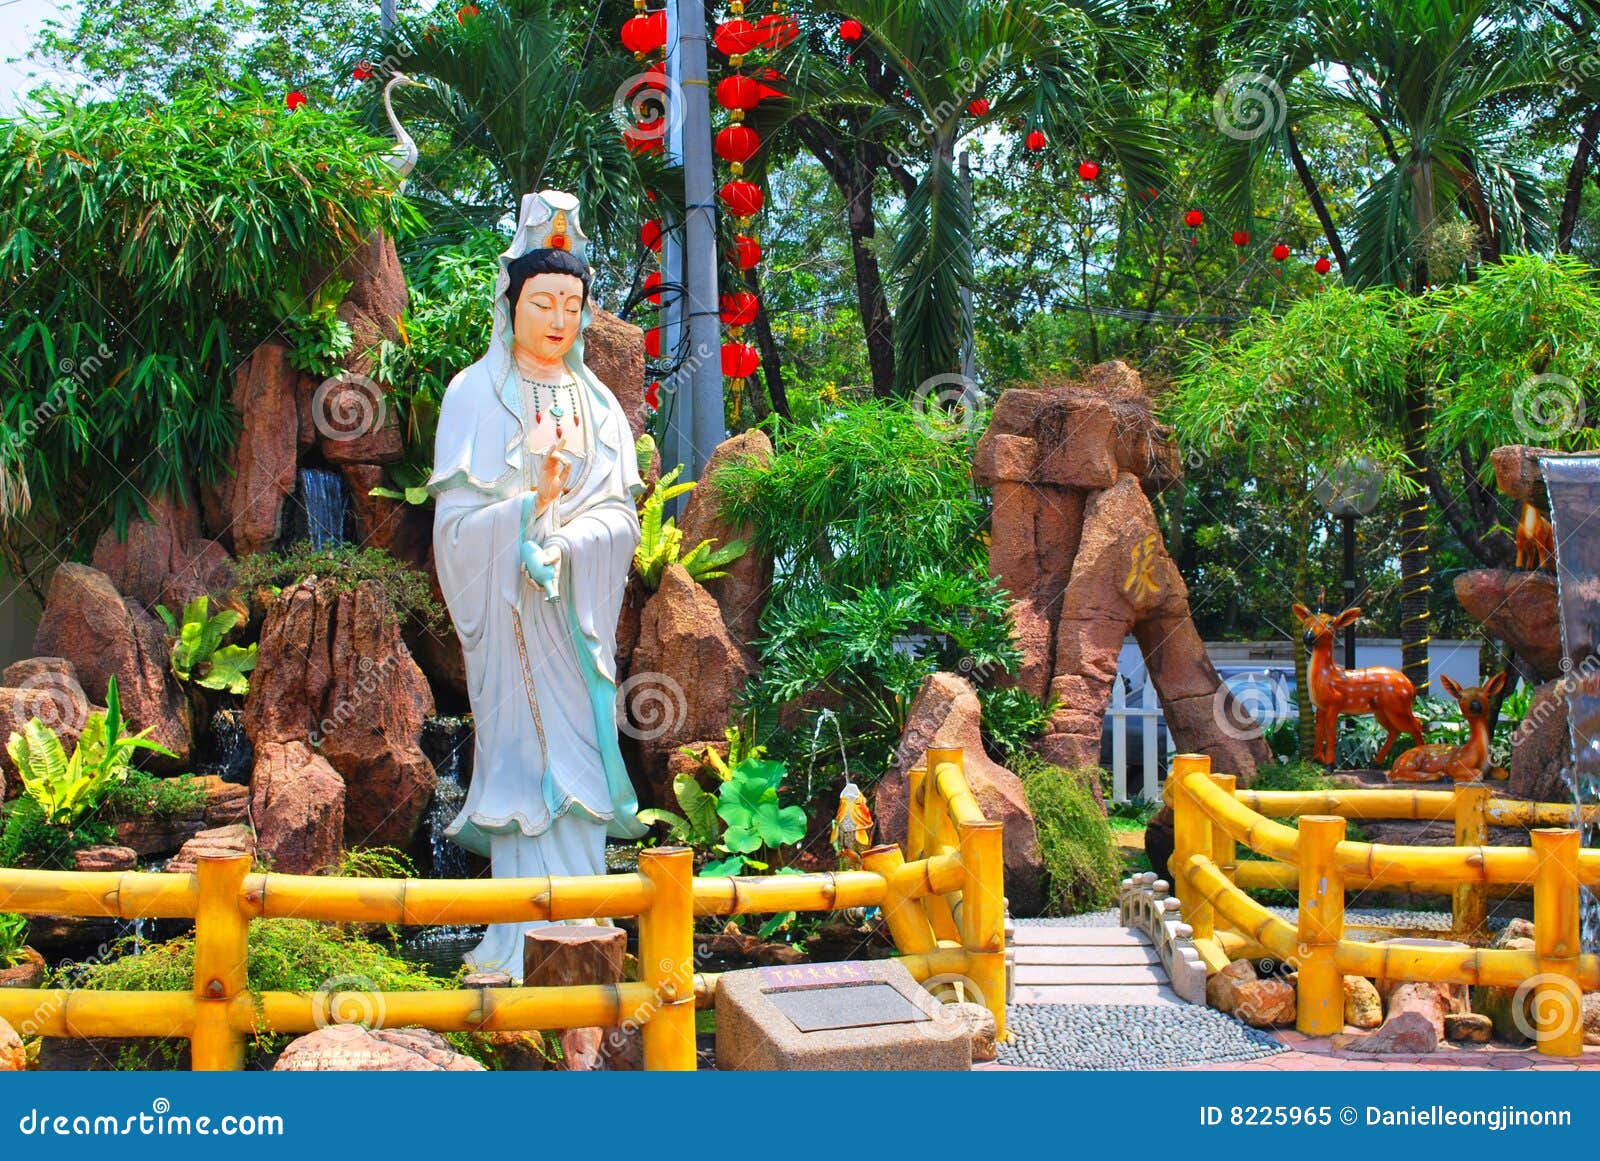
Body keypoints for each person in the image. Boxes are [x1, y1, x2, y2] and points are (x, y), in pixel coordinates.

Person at [427, 189, 646, 979]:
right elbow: (451, 530)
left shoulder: (602, 406)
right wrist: (528, 513)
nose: (558, 319)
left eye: (572, 304)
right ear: (511, 301)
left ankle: (586, 929)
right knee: (526, 777)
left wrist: (570, 543)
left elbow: (622, 518)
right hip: (511, 622)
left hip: (571, 618)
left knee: (580, 778)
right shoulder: (470, 395)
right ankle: (516, 942)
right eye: (542, 301)